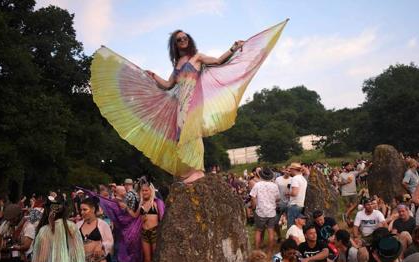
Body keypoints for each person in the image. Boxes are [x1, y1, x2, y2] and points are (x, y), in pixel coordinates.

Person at [91, 21, 287, 183]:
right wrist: (152, 76)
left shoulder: (197, 57)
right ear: (175, 44)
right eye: (179, 39)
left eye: (185, 38)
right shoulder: (177, 64)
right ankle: (187, 171)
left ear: (189, 40)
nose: (183, 40)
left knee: (192, 133)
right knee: (180, 135)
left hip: (194, 101)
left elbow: (218, 61)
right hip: (180, 104)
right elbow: (168, 85)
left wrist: (233, 48)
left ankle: (198, 170)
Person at [132, 181, 164, 262]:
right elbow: (135, 217)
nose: (144, 192)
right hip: (144, 233)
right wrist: (127, 209)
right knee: (147, 259)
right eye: (143, 191)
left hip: (154, 232)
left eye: (146, 190)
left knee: (156, 257)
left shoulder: (157, 202)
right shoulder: (141, 204)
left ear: (151, 191)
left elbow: (162, 218)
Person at [250, 168, 280, 252]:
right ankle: (270, 251)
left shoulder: (257, 185)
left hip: (260, 211)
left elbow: (252, 197)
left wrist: (254, 207)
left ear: (261, 175)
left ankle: (257, 250)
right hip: (271, 212)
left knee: (258, 231)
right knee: (271, 231)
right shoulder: (274, 185)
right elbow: (278, 198)